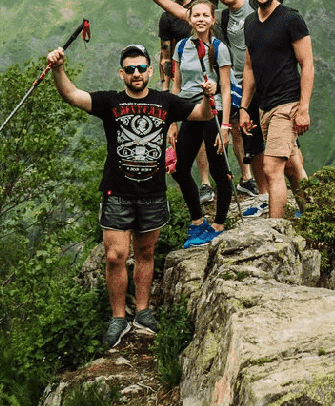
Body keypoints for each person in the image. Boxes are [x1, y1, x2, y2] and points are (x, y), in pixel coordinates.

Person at [129, 0, 331, 202]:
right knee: (255, 148)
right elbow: (182, 13)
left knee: (290, 154)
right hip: (245, 90)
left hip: (276, 87)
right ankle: (264, 197)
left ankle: (305, 203)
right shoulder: (221, 19)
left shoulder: (258, 3)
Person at [47, 42, 218, 348]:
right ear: (121, 74)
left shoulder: (166, 101)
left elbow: (201, 115)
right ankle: (117, 318)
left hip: (152, 192)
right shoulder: (110, 102)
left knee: (146, 253)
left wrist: (208, 97)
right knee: (115, 256)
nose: (136, 73)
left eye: (141, 68)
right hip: (117, 192)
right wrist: (58, 69)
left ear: (150, 71)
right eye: (130, 69)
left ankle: (141, 311)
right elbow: (71, 95)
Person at [128, 0, 272, 197]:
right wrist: (166, 94)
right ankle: (206, 184)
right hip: (191, 83)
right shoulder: (168, 19)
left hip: (223, 71)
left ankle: (246, 176)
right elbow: (166, 58)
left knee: (234, 125)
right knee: (201, 134)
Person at [238, 0, 315, 221]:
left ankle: (275, 230)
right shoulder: (249, 23)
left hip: (287, 104)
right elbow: (249, 67)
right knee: (293, 168)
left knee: (272, 169)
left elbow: (307, 64)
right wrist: (244, 108)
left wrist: (303, 108)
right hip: (264, 108)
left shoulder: (291, 18)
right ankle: (316, 217)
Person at [168, 0, 234, 246]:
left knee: (218, 170)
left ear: (212, 19)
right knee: (180, 169)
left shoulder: (219, 48)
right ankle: (198, 221)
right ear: (190, 19)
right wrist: (171, 121)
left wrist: (226, 126)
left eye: (206, 15)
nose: (201, 19)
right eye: (196, 15)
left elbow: (226, 89)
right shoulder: (181, 46)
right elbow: (176, 84)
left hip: (212, 111)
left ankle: (218, 224)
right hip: (187, 110)